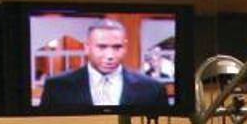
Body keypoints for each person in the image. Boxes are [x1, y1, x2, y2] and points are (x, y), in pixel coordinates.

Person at [38, 19, 169, 111]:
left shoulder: (152, 89)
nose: (110, 55)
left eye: (117, 47)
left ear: (125, 47)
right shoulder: (57, 86)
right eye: (102, 47)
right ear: (87, 47)